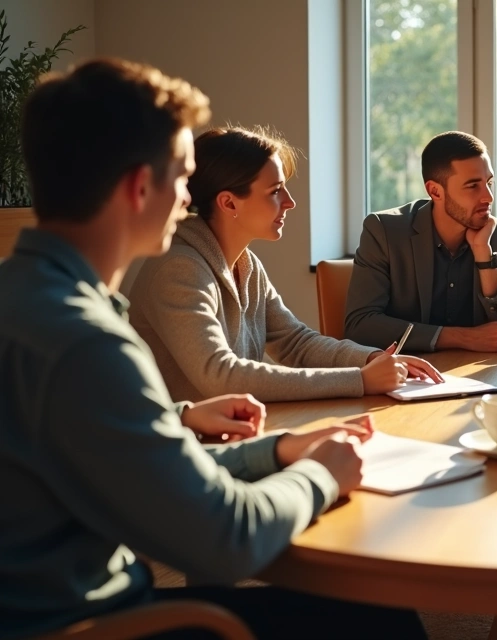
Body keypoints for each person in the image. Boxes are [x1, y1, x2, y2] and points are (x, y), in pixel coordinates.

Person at [0, 58, 426, 639]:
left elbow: (126, 452)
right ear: (138, 187)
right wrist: (321, 475)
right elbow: (229, 539)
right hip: (99, 623)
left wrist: (274, 453)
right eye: (180, 177)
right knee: (382, 615)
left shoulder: (26, 298)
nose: (186, 199)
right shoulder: (86, 342)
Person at [127, 126, 442, 404]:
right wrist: (360, 381)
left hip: (229, 435)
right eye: (275, 191)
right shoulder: (179, 269)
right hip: (184, 450)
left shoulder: (247, 264)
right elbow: (221, 377)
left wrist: (370, 359)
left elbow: (296, 343)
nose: (290, 202)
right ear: (229, 203)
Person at [345, 131, 497, 352]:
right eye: (473, 186)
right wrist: (460, 337)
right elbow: (360, 325)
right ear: (435, 191)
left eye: (489, 182)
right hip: (407, 376)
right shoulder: (384, 231)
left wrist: (484, 256)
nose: (488, 197)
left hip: (478, 377)